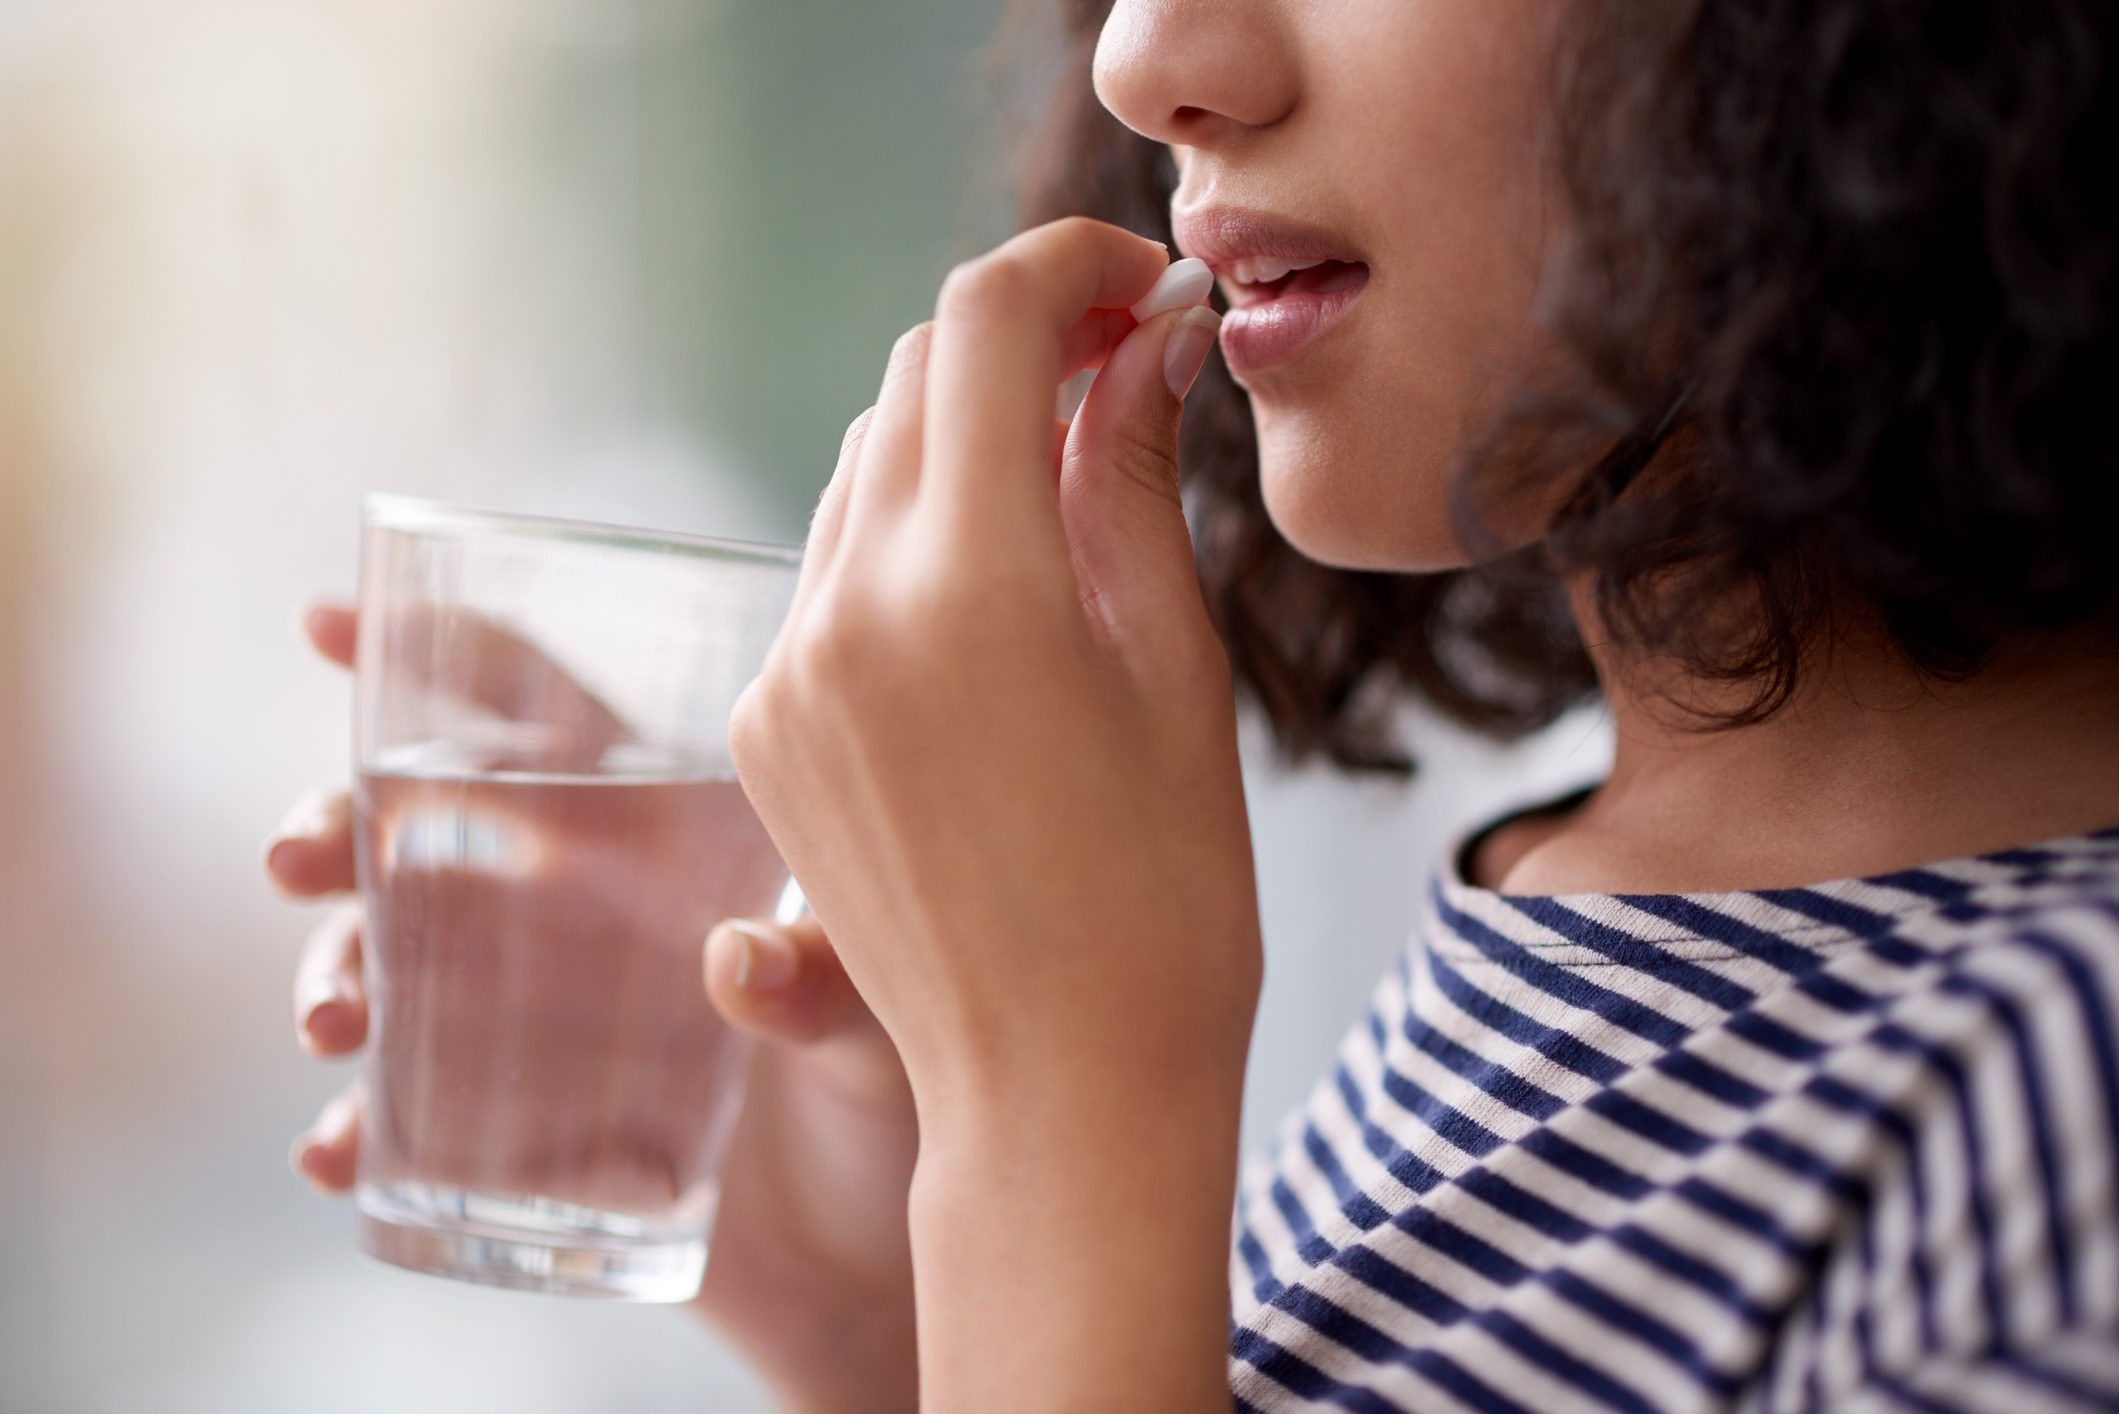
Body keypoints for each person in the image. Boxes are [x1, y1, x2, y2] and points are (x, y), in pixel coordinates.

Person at [263, 1, 2119, 1409]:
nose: (1148, 58)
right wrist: (898, 1293)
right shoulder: (1573, 911)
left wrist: (1056, 1113)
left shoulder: (2061, 1125)